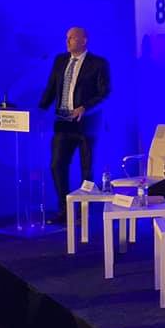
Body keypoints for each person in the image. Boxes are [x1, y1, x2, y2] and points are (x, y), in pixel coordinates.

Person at [39, 26, 111, 225]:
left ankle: (85, 214)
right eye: (67, 37)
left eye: (71, 38)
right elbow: (51, 89)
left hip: (86, 124)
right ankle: (65, 210)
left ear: (84, 40)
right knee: (57, 165)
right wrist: (39, 111)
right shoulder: (60, 60)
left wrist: (85, 107)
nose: (67, 41)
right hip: (63, 123)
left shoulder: (98, 63)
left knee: (87, 170)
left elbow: (105, 93)